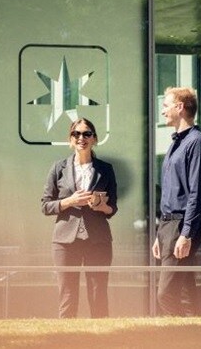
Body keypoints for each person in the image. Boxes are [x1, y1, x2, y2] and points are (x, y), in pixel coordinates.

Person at [40, 118, 118, 318]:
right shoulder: (58, 168)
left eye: (87, 134)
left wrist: (102, 206)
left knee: (98, 293)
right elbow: (45, 206)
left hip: (98, 240)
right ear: (70, 139)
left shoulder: (106, 169)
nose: (81, 138)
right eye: (76, 134)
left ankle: (102, 341)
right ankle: (67, 341)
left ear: (94, 139)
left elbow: (113, 208)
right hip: (65, 241)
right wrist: (69, 201)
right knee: (67, 294)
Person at [153, 86, 201, 316]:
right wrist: (160, 233)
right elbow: (170, 194)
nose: (163, 112)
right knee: (185, 292)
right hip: (169, 226)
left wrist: (186, 234)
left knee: (166, 294)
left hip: (182, 225)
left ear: (180, 107)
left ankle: (178, 337)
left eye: (166, 105)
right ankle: (194, 335)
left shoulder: (197, 144)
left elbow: (197, 194)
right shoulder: (176, 144)